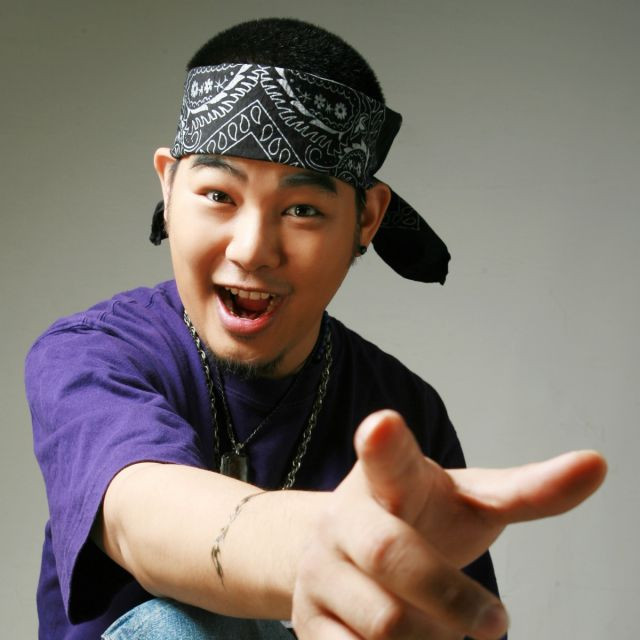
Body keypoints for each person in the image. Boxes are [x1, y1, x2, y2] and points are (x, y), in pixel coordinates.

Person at [26, 17, 606, 640]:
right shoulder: (91, 356)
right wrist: (325, 549)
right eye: (219, 195)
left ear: (367, 219)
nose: (252, 250)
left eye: (302, 209)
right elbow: (141, 516)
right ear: (168, 186)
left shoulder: (404, 413)